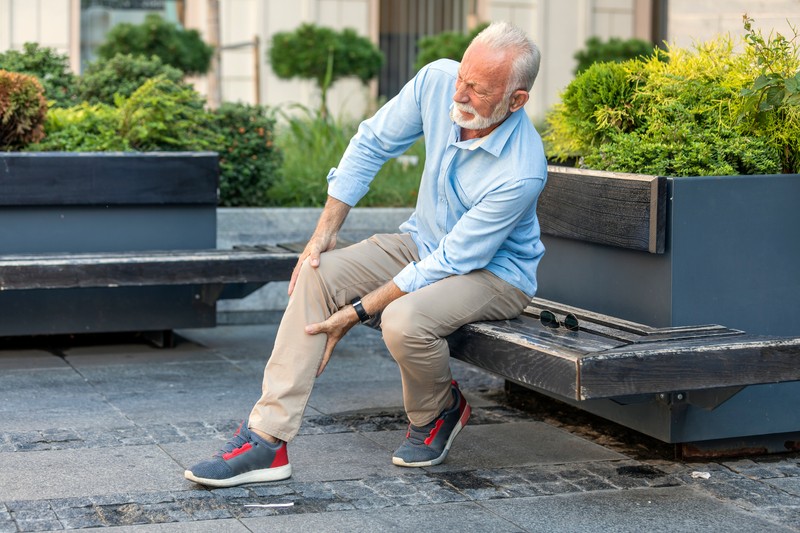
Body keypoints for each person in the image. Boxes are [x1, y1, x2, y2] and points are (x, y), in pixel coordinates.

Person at [185, 20, 547, 487]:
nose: (459, 94)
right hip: (423, 243)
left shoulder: (521, 170)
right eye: (463, 77)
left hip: (494, 273)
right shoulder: (437, 81)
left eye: (478, 90)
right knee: (317, 271)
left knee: (403, 319)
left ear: (516, 100)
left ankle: (438, 410)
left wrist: (357, 311)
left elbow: (453, 262)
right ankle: (267, 440)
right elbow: (372, 143)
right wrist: (324, 232)